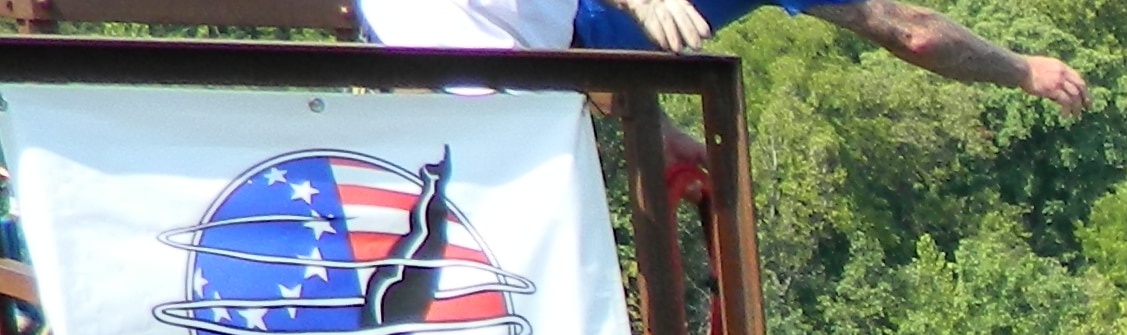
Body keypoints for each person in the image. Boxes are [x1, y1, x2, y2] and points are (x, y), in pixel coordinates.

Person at [356, 0, 1089, 123]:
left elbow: (592, 56)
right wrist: (1022, 69)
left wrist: (650, 125)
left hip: (521, 71)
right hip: (470, 56)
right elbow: (911, 32)